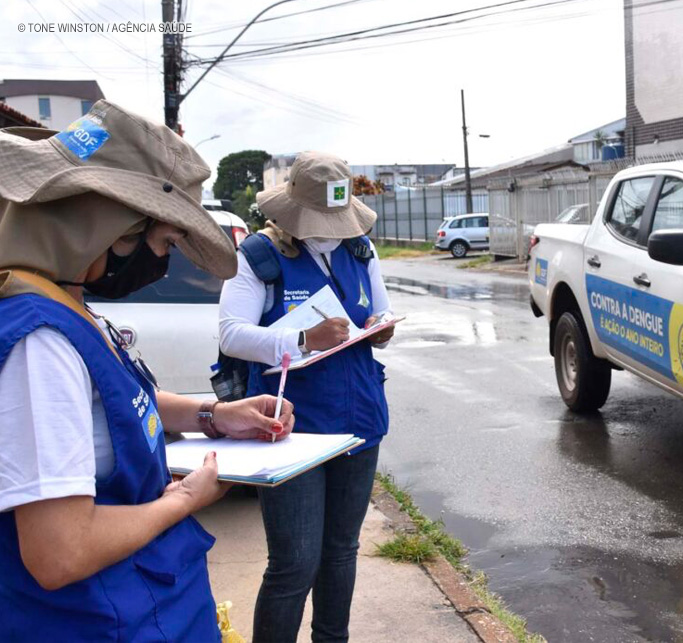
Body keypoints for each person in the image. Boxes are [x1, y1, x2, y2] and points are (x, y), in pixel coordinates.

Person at [0, 100, 295, 641]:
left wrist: (214, 414)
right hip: (104, 622)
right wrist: (185, 499)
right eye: (163, 243)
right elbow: (60, 552)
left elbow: (107, 402)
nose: (161, 263)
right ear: (108, 228)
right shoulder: (39, 342)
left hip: (144, 608)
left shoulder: (65, 303)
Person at [219, 151, 394, 642]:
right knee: (295, 562)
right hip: (290, 430)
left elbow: (379, 311)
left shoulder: (360, 249)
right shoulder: (259, 256)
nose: (332, 232)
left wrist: (380, 328)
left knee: (340, 552)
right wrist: (302, 340)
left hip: (359, 420)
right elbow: (231, 334)